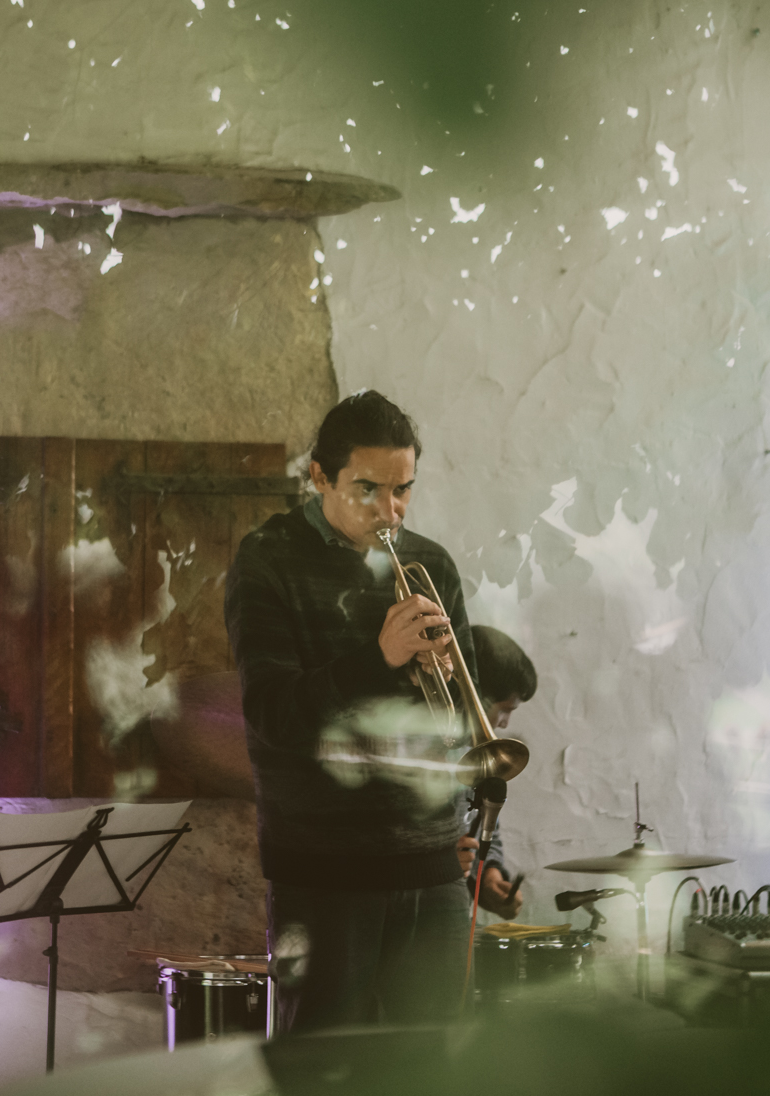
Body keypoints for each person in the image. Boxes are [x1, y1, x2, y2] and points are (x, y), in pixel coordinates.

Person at [226, 390, 474, 1033]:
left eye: (404, 490)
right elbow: (273, 715)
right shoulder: (267, 561)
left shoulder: (433, 565)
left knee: (438, 1073)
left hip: (431, 866)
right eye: (368, 489)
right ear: (318, 478)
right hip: (324, 874)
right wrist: (380, 658)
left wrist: (439, 682)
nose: (390, 511)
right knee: (325, 1074)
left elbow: (462, 728)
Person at [456, 625, 539, 919]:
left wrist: (489, 875)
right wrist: (438, 858)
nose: (503, 723)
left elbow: (484, 829)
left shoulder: (479, 760)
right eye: (504, 709)